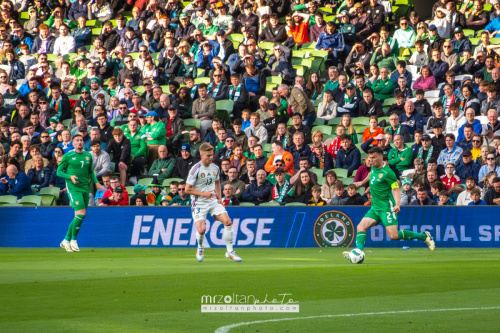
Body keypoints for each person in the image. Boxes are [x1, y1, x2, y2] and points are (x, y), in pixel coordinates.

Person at [343, 147, 435, 262]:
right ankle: (358, 252)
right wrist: (362, 182)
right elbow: (371, 174)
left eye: (373, 157)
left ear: (381, 157)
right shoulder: (373, 167)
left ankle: (424, 236)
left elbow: (396, 189)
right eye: (369, 158)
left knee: (394, 235)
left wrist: (397, 204)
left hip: (387, 207)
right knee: (361, 227)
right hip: (375, 207)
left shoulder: (388, 173)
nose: (370, 160)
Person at [185, 143, 242, 262]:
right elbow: (187, 189)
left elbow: (217, 182)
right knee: (201, 230)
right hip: (199, 202)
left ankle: (230, 251)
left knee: (227, 222)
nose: (211, 158)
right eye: (208, 155)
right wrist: (204, 194)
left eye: (212, 155)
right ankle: (200, 247)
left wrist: (220, 198)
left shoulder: (215, 167)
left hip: (213, 200)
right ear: (201, 155)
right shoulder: (195, 169)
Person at [57, 134, 105, 252]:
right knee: (82, 213)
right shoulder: (68, 155)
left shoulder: (88, 155)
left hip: (85, 187)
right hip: (73, 187)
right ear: (73, 143)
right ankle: (73, 240)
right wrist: (70, 176)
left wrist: (97, 183)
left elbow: (91, 172)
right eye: (77, 140)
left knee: (78, 216)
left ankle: (66, 240)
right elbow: (59, 172)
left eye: (81, 140)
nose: (79, 142)